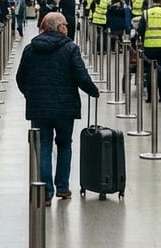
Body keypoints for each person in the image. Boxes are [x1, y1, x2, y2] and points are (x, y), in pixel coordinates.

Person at [16, 12, 100, 205]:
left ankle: (45, 193)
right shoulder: (71, 48)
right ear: (60, 27)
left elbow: (21, 78)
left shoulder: (30, 49)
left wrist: (31, 95)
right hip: (65, 107)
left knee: (43, 147)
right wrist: (93, 91)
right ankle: (62, 187)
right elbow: (80, 75)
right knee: (64, 145)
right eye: (66, 25)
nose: (68, 28)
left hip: (39, 108)